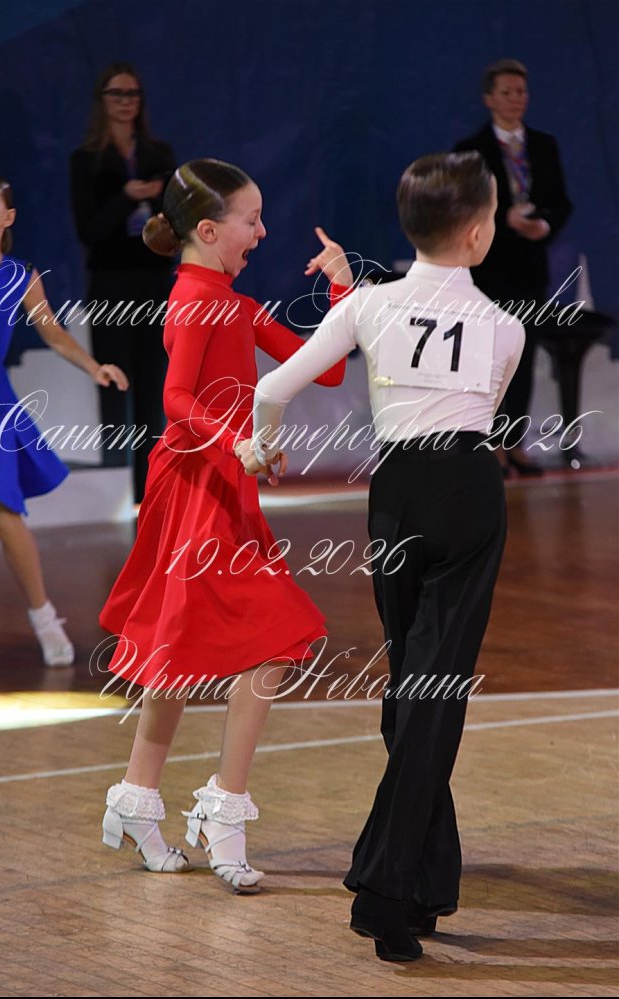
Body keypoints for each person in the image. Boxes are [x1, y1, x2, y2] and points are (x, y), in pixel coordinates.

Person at [249, 152, 525, 960]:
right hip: (468, 490)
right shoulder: (506, 327)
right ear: (477, 233)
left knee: (411, 688)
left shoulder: (370, 304)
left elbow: (271, 391)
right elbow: (482, 412)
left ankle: (422, 881)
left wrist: (262, 450)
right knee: (430, 695)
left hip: (397, 494)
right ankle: (390, 889)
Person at [98, 158, 350, 892]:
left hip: (223, 485)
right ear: (208, 231)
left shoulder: (234, 304)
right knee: (276, 635)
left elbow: (325, 369)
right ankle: (223, 808)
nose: (263, 231)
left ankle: (138, 798)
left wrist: (342, 287)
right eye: (252, 219)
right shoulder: (192, 301)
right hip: (193, 486)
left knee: (179, 648)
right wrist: (236, 440)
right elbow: (176, 400)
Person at [0, 172, 128, 665]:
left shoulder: (21, 277)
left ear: (7, 216)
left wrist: (94, 367)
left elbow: (54, 334)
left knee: (5, 511)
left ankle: (44, 616)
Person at [453, 58, 572, 476]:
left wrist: (545, 224)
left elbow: (561, 201)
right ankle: (487, 444)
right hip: (487, 269)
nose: (515, 99)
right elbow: (463, 205)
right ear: (489, 99)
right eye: (506, 92)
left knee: (522, 356)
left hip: (529, 269)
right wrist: (504, 219)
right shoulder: (470, 150)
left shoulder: (543, 145)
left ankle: (515, 441)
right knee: (486, 359)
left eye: (520, 91)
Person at [70, 62, 176, 503]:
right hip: (111, 283)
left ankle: (150, 491)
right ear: (102, 100)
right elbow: (89, 230)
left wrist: (155, 197)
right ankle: (115, 490)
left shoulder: (158, 154)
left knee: (155, 385)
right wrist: (125, 198)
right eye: (117, 94)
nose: (126, 102)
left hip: (154, 279)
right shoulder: (86, 160)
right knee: (116, 382)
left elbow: (176, 221)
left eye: (132, 94)